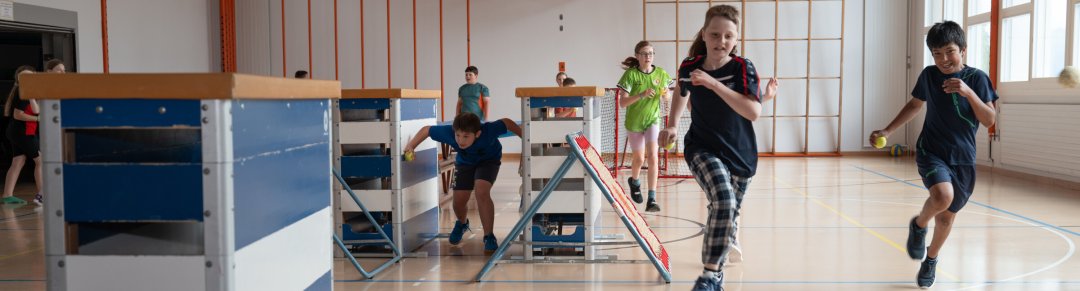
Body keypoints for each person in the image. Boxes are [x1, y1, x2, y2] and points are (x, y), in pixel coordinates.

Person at [869, 20, 997, 289]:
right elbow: (915, 104)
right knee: (942, 195)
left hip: (962, 158)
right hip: (931, 150)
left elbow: (989, 119)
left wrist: (967, 91)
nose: (943, 59)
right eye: (937, 54)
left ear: (963, 49)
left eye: (949, 51)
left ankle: (931, 258)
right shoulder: (929, 75)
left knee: (947, 216)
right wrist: (888, 130)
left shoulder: (977, 79)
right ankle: (919, 225)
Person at [658, 5, 777, 290]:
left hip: (741, 156)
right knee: (724, 201)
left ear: (736, 39)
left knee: (726, 212)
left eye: (728, 36)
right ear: (704, 34)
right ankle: (709, 277)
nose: (720, 41)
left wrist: (714, 84)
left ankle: (718, 269)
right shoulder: (689, 67)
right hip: (701, 148)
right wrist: (673, 125)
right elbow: (681, 94)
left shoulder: (742, 67)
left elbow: (753, 111)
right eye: (714, 34)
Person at [403, 112, 521, 252]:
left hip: (488, 161)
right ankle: (462, 223)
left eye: (466, 136)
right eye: (458, 135)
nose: (460, 140)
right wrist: (411, 145)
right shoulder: (449, 132)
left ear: (477, 134)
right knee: (458, 201)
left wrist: (523, 135)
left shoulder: (489, 130)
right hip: (465, 163)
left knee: (481, 191)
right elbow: (427, 130)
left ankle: (489, 236)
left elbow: (507, 121)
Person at [617, 40, 672, 212]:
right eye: (644, 53)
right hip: (634, 123)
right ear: (637, 56)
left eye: (651, 53)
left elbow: (668, 96)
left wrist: (665, 95)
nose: (648, 57)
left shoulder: (661, 74)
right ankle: (634, 182)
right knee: (639, 159)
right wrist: (641, 94)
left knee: (653, 156)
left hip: (652, 120)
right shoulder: (631, 75)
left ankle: (652, 199)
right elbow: (623, 103)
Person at [1, 65, 45, 205]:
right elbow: (18, 115)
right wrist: (38, 119)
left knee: (18, 162)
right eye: (23, 77)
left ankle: (7, 195)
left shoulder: (29, 93)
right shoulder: (22, 92)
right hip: (22, 133)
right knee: (40, 161)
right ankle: (42, 195)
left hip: (18, 132)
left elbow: (35, 110)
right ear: (19, 80)